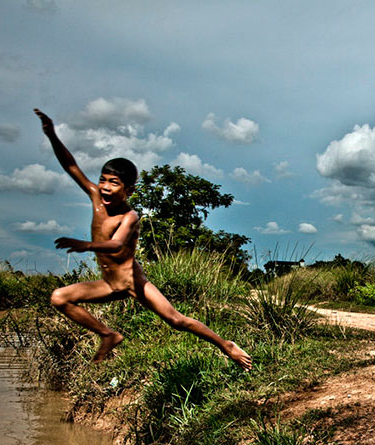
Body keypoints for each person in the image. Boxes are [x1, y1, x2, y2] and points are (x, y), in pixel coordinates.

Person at [33, 108, 252, 370]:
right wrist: (52, 135)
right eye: (103, 180)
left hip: (133, 283)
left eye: (113, 183)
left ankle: (226, 345)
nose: (105, 187)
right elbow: (70, 165)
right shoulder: (95, 197)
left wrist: (86, 245)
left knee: (177, 320)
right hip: (108, 284)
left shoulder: (130, 216)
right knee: (59, 297)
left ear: (129, 190)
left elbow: (116, 244)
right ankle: (108, 334)